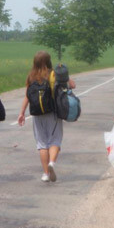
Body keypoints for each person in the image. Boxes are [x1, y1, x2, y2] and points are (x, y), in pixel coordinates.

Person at [17, 51, 75, 183]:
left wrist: (22, 113)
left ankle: (45, 174)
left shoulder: (31, 76)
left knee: (42, 144)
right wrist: (66, 77)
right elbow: (72, 85)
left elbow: (27, 95)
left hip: (37, 114)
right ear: (48, 61)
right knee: (55, 140)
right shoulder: (53, 74)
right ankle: (52, 163)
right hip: (52, 113)